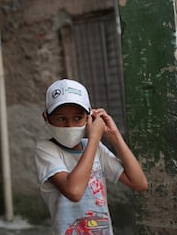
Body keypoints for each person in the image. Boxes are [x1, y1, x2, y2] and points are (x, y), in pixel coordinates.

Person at [35, 79, 148, 234]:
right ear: (46, 118)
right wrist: (94, 138)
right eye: (61, 119)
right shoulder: (46, 150)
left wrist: (114, 136)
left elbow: (139, 183)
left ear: (89, 117)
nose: (70, 126)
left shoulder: (95, 148)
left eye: (77, 118)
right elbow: (74, 191)